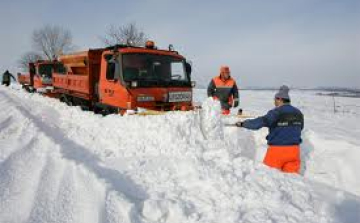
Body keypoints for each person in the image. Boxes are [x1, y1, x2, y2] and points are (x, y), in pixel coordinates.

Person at [236, 85, 304, 174]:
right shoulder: (298, 113)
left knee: (268, 179)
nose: (274, 102)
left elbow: (260, 122)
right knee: (292, 181)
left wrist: (243, 124)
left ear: (279, 99)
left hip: (277, 151)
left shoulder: (276, 112)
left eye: (275, 100)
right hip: (294, 152)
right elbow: (300, 128)